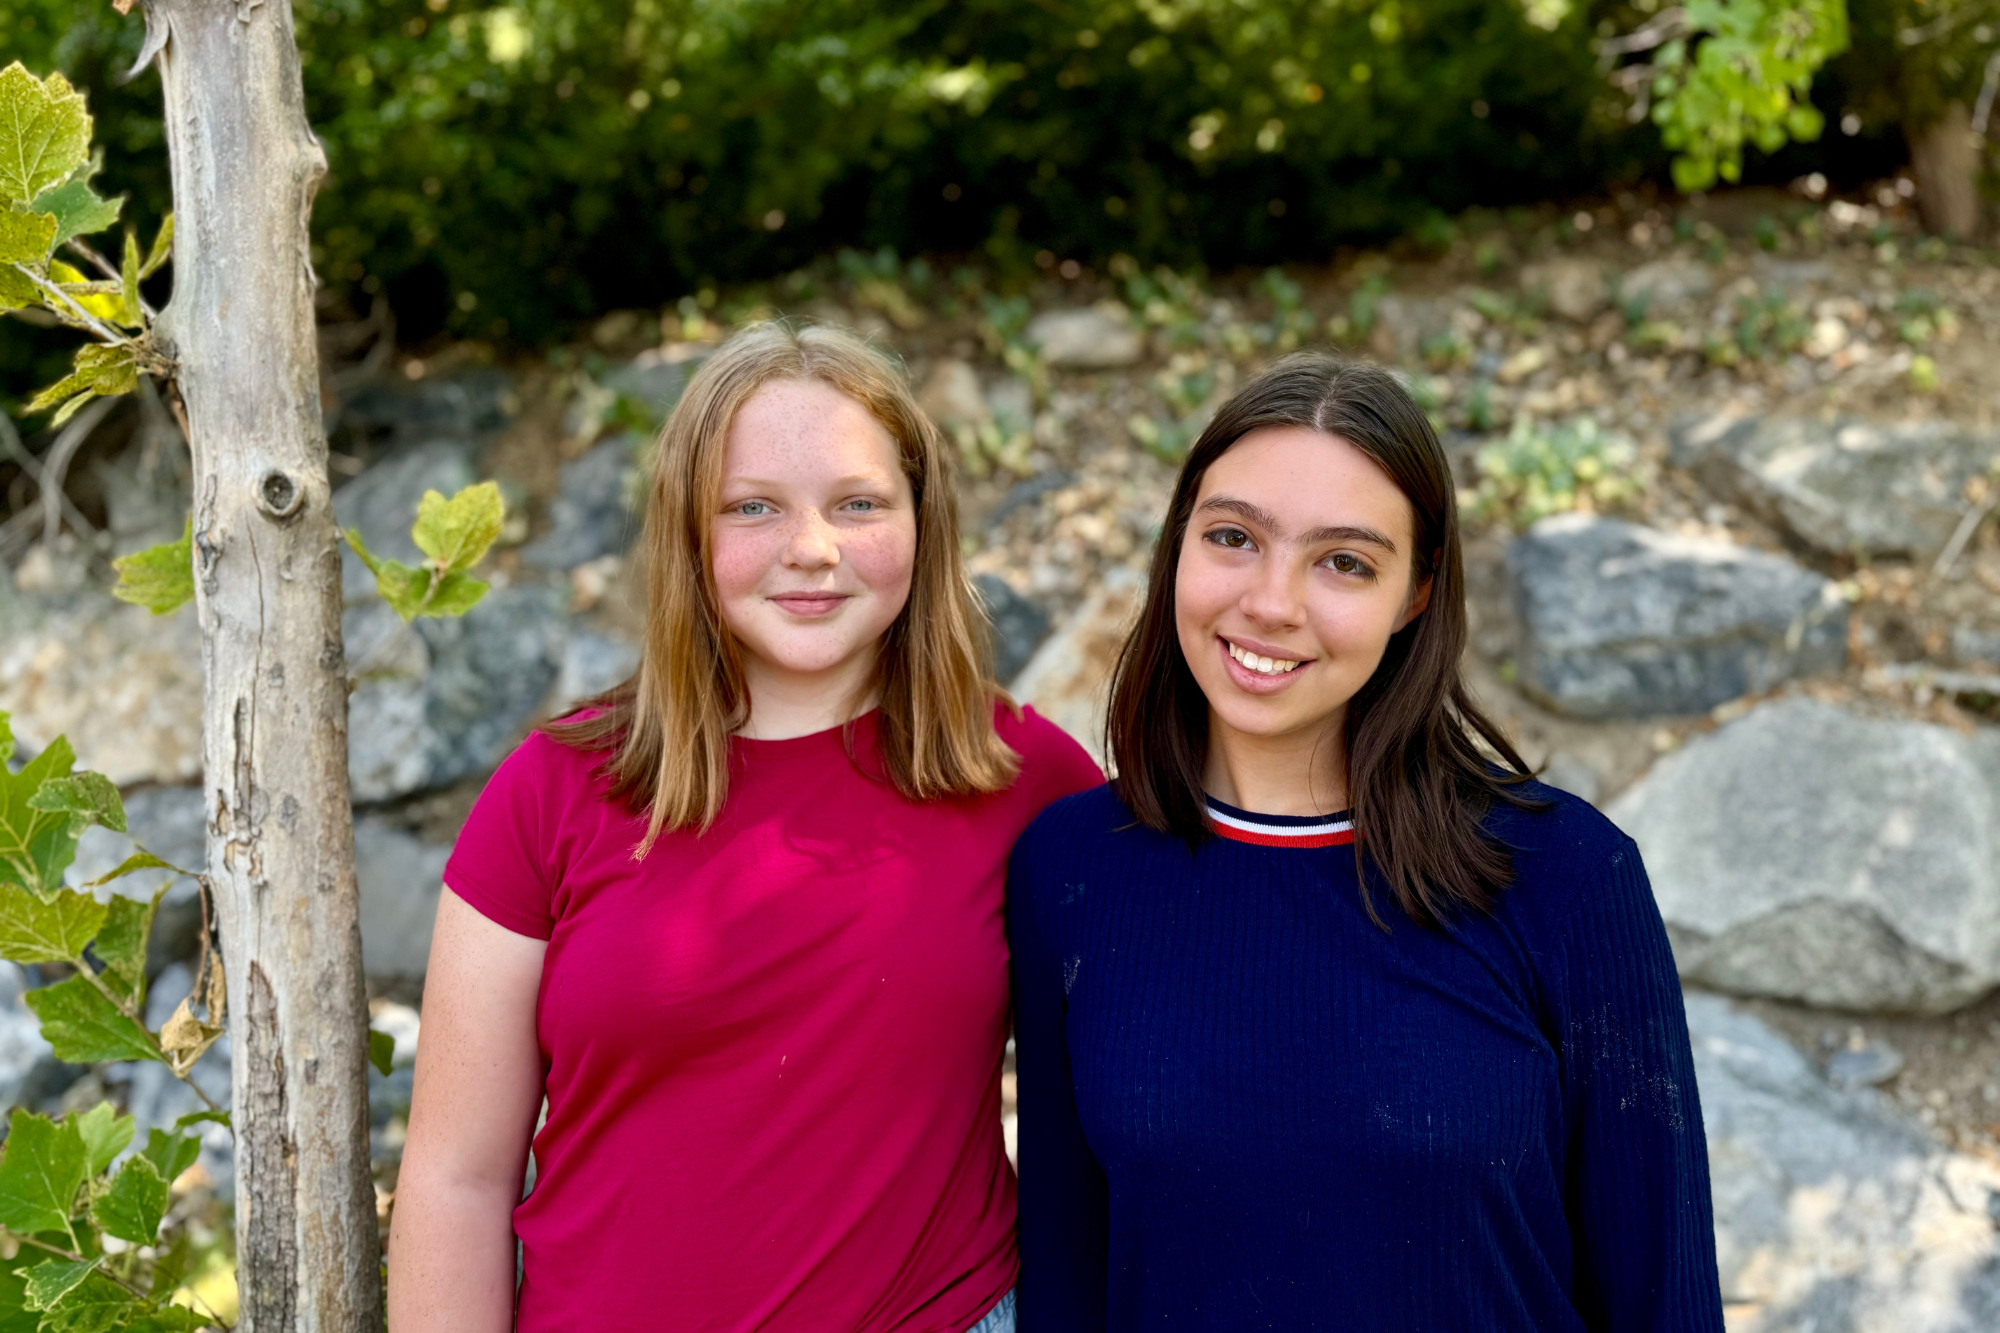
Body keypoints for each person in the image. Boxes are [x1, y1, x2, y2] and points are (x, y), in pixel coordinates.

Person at [389, 323, 1100, 1333]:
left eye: (857, 504)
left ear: (922, 523)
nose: (810, 549)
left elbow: (1150, 1103)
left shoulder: (1027, 779)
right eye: (752, 507)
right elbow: (457, 1177)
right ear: (689, 532)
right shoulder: (554, 788)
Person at [1008, 355, 1724, 1331]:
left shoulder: (1563, 877)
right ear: (1176, 544)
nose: (1270, 601)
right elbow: (1065, 1277)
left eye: (1342, 561)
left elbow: (1660, 1300)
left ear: (1415, 594)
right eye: (1232, 537)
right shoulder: (1070, 869)